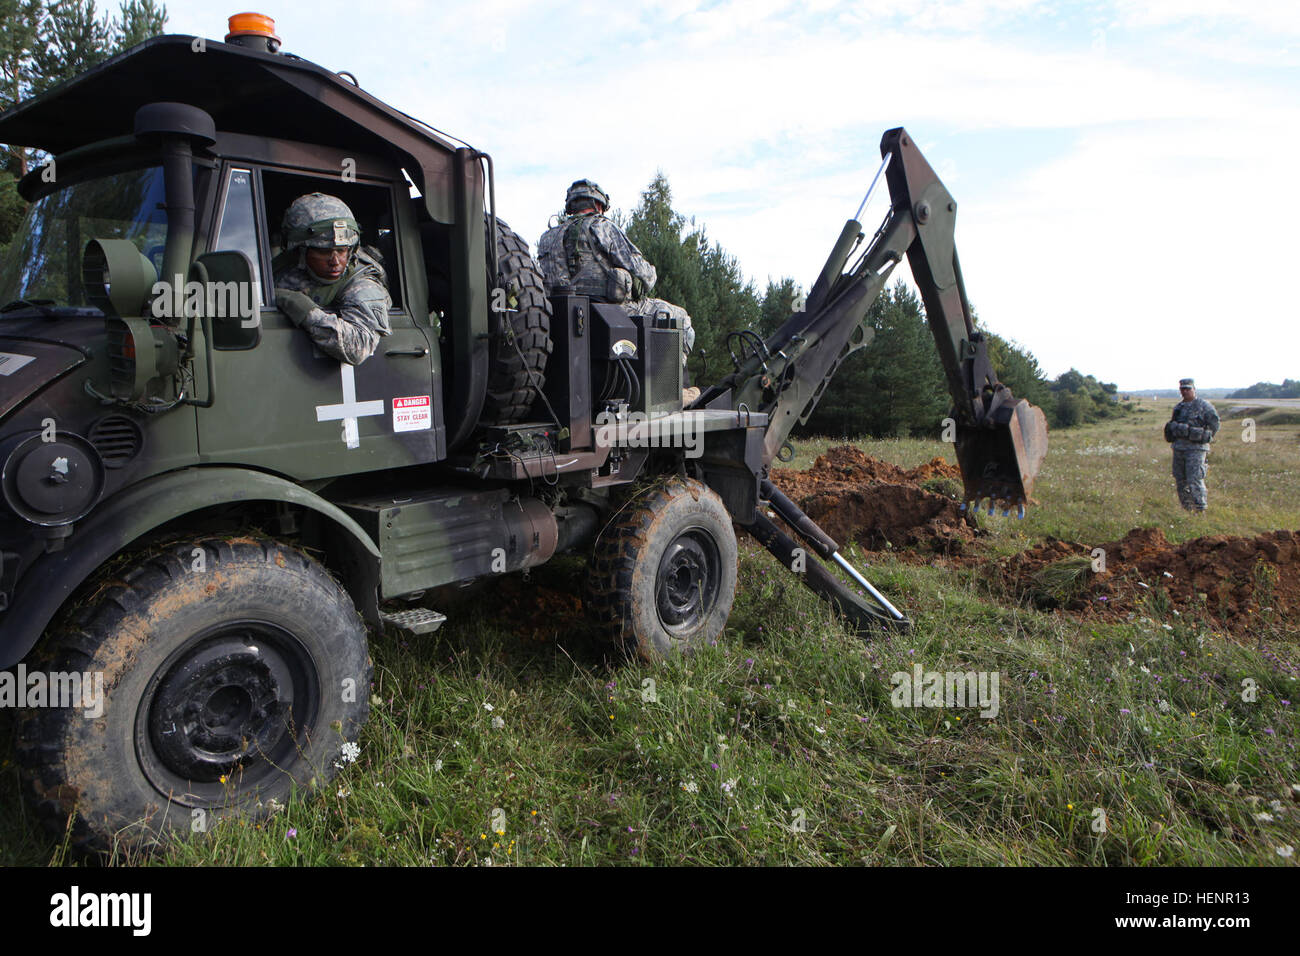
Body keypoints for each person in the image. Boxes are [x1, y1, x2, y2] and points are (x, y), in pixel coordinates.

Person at [537, 179, 697, 400]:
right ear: (599, 206)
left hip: (563, 321)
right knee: (682, 320)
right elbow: (645, 273)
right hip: (608, 313)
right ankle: (669, 390)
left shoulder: (548, 238)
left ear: (570, 206)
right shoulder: (602, 227)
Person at [273, 193, 391, 365]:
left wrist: (305, 310)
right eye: (323, 251)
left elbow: (359, 345)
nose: (335, 262)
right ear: (300, 251)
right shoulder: (284, 268)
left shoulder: (362, 283)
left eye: (342, 250)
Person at [1163, 377, 1220, 512]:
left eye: (1188, 389)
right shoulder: (1179, 407)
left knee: (1194, 478)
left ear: (1194, 389)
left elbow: (1214, 425)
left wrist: (1203, 436)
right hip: (1179, 448)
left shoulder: (1204, 406)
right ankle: (1187, 508)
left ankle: (1200, 509)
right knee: (1180, 479)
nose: (1185, 392)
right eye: (1182, 389)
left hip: (1196, 449)